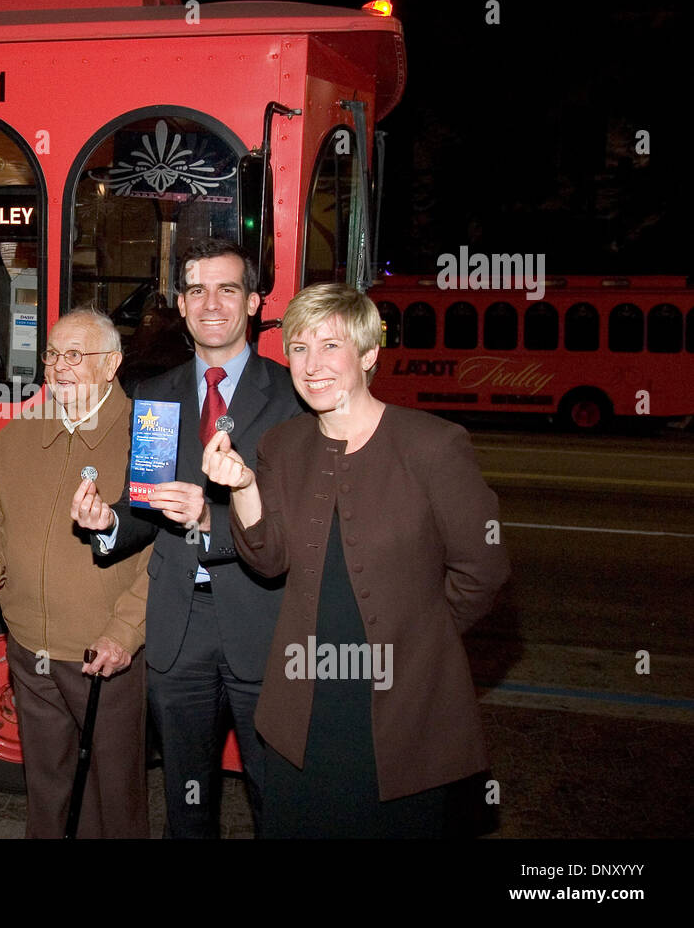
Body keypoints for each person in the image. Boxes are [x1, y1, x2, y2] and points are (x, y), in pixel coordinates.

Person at [203, 282, 511, 836]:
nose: (311, 364)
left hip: (404, 710)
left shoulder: (433, 445)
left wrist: (422, 639)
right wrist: (245, 487)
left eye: (330, 346)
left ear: (368, 356)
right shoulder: (281, 445)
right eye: (298, 347)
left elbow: (482, 569)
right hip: (304, 709)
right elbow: (269, 561)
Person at [71, 238, 304, 838]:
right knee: (186, 802)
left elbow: (303, 519)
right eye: (196, 290)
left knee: (276, 796)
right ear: (180, 303)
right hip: (179, 628)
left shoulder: (292, 398)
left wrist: (211, 522)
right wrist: (110, 524)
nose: (211, 303)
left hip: (264, 619)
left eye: (228, 289)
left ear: (253, 302)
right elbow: (147, 504)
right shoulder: (155, 393)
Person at [0, 307, 150, 838]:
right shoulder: (24, 430)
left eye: (75, 355)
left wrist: (125, 632)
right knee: (47, 786)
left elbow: (167, 550)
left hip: (102, 654)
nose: (59, 367)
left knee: (115, 797)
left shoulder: (145, 434)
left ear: (111, 364)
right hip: (27, 645)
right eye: (52, 354)